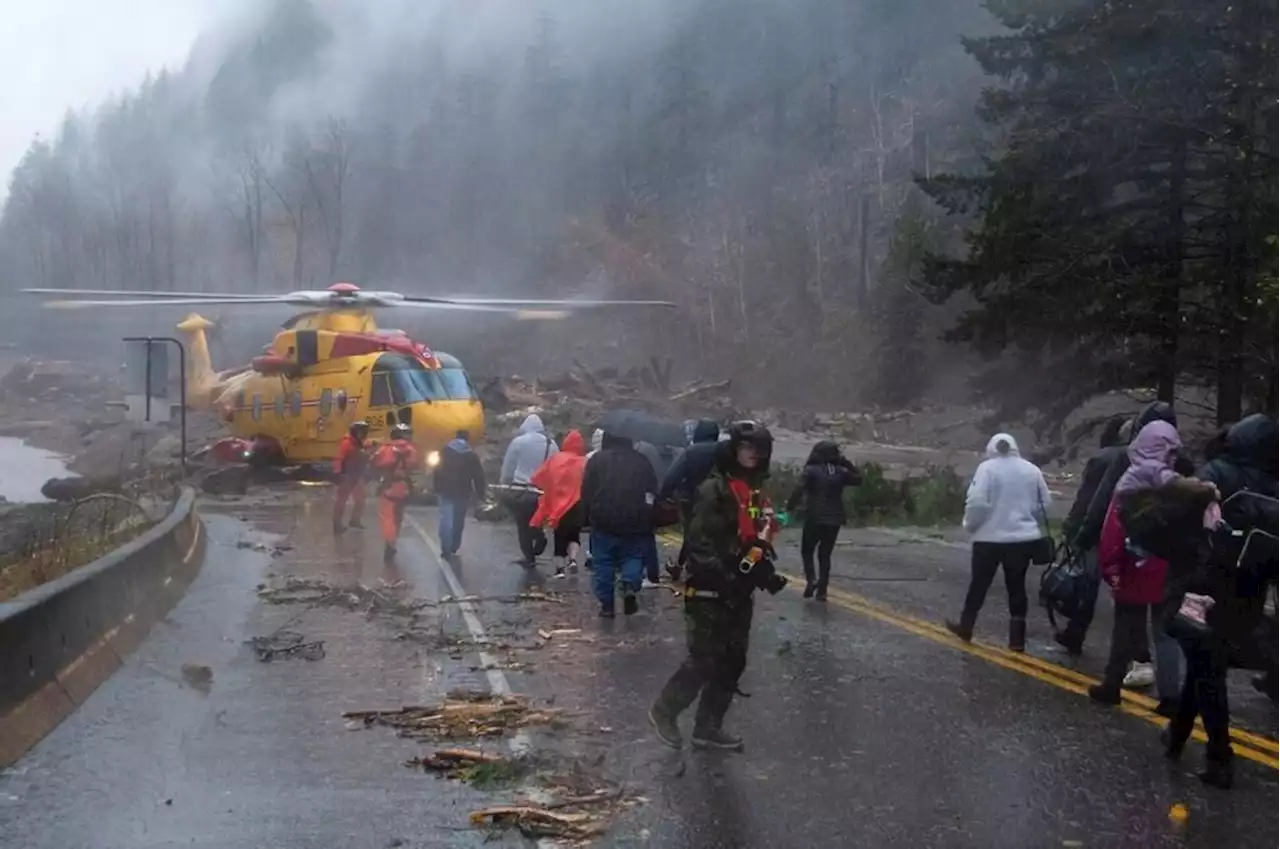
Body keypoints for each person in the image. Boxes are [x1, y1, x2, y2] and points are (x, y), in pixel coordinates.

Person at [649, 422, 780, 751]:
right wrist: (724, 576)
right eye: (747, 446)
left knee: (733, 660)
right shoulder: (714, 489)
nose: (753, 453)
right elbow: (699, 544)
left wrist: (761, 572)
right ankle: (665, 710)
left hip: (739, 591)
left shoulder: (752, 492)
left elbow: (752, 541)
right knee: (704, 659)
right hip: (709, 590)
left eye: (759, 448)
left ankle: (708, 726)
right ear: (734, 449)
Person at [1087, 420, 1197, 715]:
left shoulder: (1131, 482)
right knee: (1165, 634)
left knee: (1125, 628)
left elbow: (1113, 528)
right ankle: (1170, 696)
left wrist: (1110, 567)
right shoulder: (1179, 484)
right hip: (1167, 569)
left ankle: (1111, 685)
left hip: (1133, 568)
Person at [1067, 403, 1180, 687]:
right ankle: (1170, 694)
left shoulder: (1127, 460)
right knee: (1164, 625)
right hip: (1170, 557)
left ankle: (1115, 681)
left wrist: (1084, 534)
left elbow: (1105, 502)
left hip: (1132, 554)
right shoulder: (1183, 462)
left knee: (1127, 616)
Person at [946, 433, 1051, 652]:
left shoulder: (987, 469)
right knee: (1017, 587)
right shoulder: (1032, 470)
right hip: (1022, 539)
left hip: (988, 540)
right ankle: (1017, 639)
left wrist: (971, 526)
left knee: (979, 585)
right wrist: (1028, 520)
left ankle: (966, 625)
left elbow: (977, 502)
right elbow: (1045, 504)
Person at [580, 430, 659, 617]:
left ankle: (607, 605)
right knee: (632, 556)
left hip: (603, 519)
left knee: (604, 561)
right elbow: (652, 490)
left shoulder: (597, 460)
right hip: (635, 520)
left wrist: (584, 518)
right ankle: (630, 584)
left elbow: (587, 491)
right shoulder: (642, 461)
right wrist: (649, 513)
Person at [785, 440, 862, 601]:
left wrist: (789, 507)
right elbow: (859, 479)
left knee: (807, 550)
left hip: (814, 516)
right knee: (825, 554)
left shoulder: (811, 470)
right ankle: (822, 590)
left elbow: (799, 489)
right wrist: (845, 462)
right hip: (834, 518)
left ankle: (811, 579)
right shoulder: (841, 472)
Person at [659, 419, 721, 571]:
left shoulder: (691, 452)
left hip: (691, 499)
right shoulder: (724, 450)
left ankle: (684, 566)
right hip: (719, 498)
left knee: (691, 533)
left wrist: (664, 495)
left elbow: (672, 476)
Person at [500, 414, 558, 567]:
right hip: (541, 492)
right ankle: (539, 537)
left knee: (522, 524)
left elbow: (509, 466)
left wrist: (504, 483)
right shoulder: (551, 444)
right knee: (536, 520)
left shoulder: (518, 442)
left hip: (521, 489)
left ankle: (529, 556)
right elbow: (556, 468)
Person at [529, 430, 588, 578]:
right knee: (574, 534)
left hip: (559, 504)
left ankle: (560, 570)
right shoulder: (583, 462)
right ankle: (573, 559)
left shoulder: (556, 459)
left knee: (559, 536)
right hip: (578, 503)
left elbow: (538, 477)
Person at [433, 429, 486, 558]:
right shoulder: (471, 455)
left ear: (455, 437)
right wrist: (480, 494)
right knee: (458, 521)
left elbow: (436, 470)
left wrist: (436, 487)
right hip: (463, 492)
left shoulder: (444, 451)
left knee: (446, 519)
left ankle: (445, 547)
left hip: (445, 490)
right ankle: (454, 547)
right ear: (467, 439)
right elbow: (479, 476)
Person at [371, 423, 420, 562]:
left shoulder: (385, 449)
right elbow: (414, 466)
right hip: (403, 488)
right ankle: (394, 541)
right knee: (398, 517)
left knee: (387, 517)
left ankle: (390, 544)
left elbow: (376, 463)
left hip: (389, 487)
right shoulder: (411, 450)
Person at [332, 420, 370, 534]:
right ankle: (337, 523)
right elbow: (338, 458)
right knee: (341, 501)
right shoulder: (347, 443)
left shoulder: (362, 443)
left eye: (364, 432)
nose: (362, 434)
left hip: (357, 475)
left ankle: (355, 520)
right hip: (347, 475)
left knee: (361, 499)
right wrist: (338, 473)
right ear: (354, 432)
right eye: (360, 432)